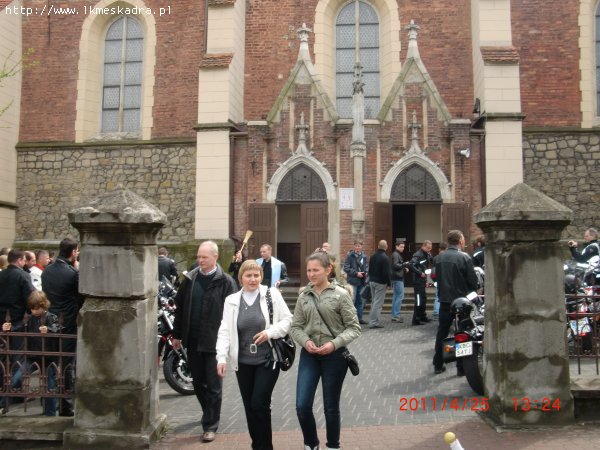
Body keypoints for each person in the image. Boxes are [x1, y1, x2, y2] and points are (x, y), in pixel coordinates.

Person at [216, 260, 292, 450]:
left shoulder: (271, 294)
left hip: (268, 358)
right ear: (240, 278)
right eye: (248, 275)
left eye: (256, 275)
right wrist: (221, 357)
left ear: (261, 276)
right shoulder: (231, 300)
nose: (253, 279)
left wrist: (270, 332)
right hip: (243, 362)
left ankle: (265, 447)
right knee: (250, 407)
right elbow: (225, 330)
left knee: (259, 403)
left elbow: (288, 320)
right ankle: (257, 445)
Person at [291, 252, 361, 450]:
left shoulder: (341, 295)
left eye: (316, 270)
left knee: (331, 407)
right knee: (302, 406)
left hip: (335, 357)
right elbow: (296, 327)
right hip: (310, 356)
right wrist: (305, 341)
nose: (311, 274)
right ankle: (311, 444)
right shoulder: (304, 296)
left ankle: (333, 446)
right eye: (308, 270)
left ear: (328, 269)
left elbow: (354, 328)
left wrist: (334, 344)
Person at [172, 241, 236, 443]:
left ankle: (210, 425)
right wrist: (176, 335)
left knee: (214, 385)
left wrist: (230, 342)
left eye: (204, 257)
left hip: (215, 343)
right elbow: (180, 308)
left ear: (215, 257)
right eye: (199, 256)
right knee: (198, 382)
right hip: (193, 340)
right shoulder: (190, 279)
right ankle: (208, 412)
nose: (200, 260)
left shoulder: (226, 282)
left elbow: (232, 314)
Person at [41, 237, 84, 416]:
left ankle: (49, 405)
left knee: (50, 364)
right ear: (73, 252)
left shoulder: (46, 271)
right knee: (67, 365)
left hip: (50, 320)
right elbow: (80, 298)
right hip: (67, 322)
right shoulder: (73, 274)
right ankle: (66, 406)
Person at [0, 290, 60, 416]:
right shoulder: (29, 318)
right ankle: (2, 404)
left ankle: (50, 414)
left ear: (44, 305)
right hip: (32, 355)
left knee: (49, 386)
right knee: (16, 379)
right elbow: (19, 327)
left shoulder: (51, 317)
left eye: (37, 308)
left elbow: (57, 328)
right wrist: (9, 328)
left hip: (48, 357)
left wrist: (48, 329)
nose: (34, 311)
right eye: (32, 309)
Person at [432, 230, 478, 375]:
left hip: (444, 301)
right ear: (460, 241)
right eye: (463, 239)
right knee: (463, 333)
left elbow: (435, 277)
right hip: (461, 302)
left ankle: (438, 364)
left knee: (442, 332)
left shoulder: (439, 258)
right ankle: (461, 367)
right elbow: (473, 281)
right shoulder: (464, 257)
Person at [0, 250, 35, 328]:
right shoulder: (23, 275)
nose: (25, 262)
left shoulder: (1, 274)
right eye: (24, 260)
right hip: (18, 318)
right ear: (19, 260)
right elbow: (30, 296)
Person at [343, 240, 369, 325]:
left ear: (362, 246)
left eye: (359, 246)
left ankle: (359, 318)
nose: (357, 247)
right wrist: (356, 273)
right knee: (352, 300)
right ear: (354, 246)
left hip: (361, 281)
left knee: (360, 301)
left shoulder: (364, 256)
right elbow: (346, 268)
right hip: (353, 281)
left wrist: (366, 272)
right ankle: (351, 319)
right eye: (356, 246)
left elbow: (366, 266)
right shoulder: (350, 256)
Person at [367, 240, 391, 329]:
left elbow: (369, 269)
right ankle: (373, 322)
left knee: (374, 302)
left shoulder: (373, 256)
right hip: (380, 283)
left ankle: (372, 320)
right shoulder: (385, 258)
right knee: (378, 303)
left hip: (372, 281)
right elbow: (386, 273)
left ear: (378, 246)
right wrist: (389, 283)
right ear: (386, 247)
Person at [409, 240, 433, 326]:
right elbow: (411, 264)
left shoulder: (427, 254)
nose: (429, 250)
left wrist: (428, 280)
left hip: (422, 281)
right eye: (428, 248)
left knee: (424, 299)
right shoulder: (418, 254)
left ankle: (423, 316)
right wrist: (420, 273)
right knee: (419, 300)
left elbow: (428, 267)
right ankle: (416, 319)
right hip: (418, 281)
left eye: (430, 248)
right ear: (424, 246)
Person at [390, 239, 408, 323]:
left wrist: (403, 268)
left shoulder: (396, 254)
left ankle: (394, 315)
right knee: (400, 296)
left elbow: (396, 266)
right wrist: (404, 264)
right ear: (396, 246)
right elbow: (395, 266)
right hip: (398, 278)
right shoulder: (396, 254)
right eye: (401, 247)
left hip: (396, 277)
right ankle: (396, 315)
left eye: (403, 247)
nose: (402, 248)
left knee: (396, 296)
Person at [432, 242, 448, 320]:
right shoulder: (447, 257)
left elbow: (434, 270)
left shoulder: (436, 258)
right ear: (446, 248)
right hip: (445, 279)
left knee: (437, 296)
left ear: (439, 249)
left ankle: (436, 313)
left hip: (437, 279)